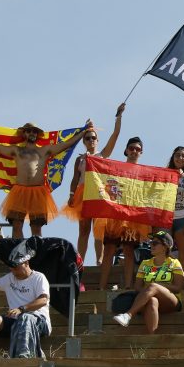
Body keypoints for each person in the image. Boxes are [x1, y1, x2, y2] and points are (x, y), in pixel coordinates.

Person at [0, 118, 93, 239]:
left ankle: (34, 255)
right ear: (24, 133)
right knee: (17, 225)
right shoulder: (17, 150)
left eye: (34, 131)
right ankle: (20, 254)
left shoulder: (44, 150)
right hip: (19, 191)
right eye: (29, 131)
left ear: (37, 135)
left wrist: (83, 131)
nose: (32, 133)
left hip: (38, 192)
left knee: (36, 228)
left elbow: (67, 144)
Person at [63, 103, 125, 264]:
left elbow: (116, 134)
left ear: (97, 140)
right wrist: (71, 195)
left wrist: (119, 116)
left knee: (99, 230)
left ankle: (99, 260)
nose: (90, 140)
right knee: (83, 229)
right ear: (84, 141)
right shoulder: (80, 158)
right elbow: (75, 179)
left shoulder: (102, 155)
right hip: (82, 194)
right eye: (87, 138)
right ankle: (80, 261)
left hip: (99, 193)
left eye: (93, 138)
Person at [97, 136, 151, 290]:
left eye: (137, 149)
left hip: (133, 217)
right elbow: (108, 185)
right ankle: (101, 287)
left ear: (141, 152)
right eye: (132, 148)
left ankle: (128, 286)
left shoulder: (145, 172)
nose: (134, 151)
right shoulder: (117, 167)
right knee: (108, 251)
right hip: (116, 215)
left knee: (129, 252)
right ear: (126, 150)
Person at [112, 231, 184, 334]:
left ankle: (128, 315)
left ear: (165, 247)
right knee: (152, 301)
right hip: (148, 298)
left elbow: (178, 288)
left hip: (171, 300)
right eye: (151, 242)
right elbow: (137, 287)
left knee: (153, 286)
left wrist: (156, 288)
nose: (151, 245)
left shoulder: (174, 263)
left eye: (155, 243)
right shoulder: (145, 263)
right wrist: (149, 292)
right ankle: (152, 339)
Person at [0, 243, 51, 358]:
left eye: (16, 267)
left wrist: (22, 309)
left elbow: (43, 300)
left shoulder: (39, 278)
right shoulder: (9, 278)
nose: (13, 271)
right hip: (15, 321)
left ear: (26, 263)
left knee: (25, 318)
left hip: (39, 320)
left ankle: (23, 356)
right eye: (11, 268)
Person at [164, 145, 184, 274]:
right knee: (163, 251)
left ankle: (183, 284)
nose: (181, 158)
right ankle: (165, 280)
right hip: (166, 219)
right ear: (173, 157)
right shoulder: (164, 174)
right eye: (178, 155)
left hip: (183, 219)